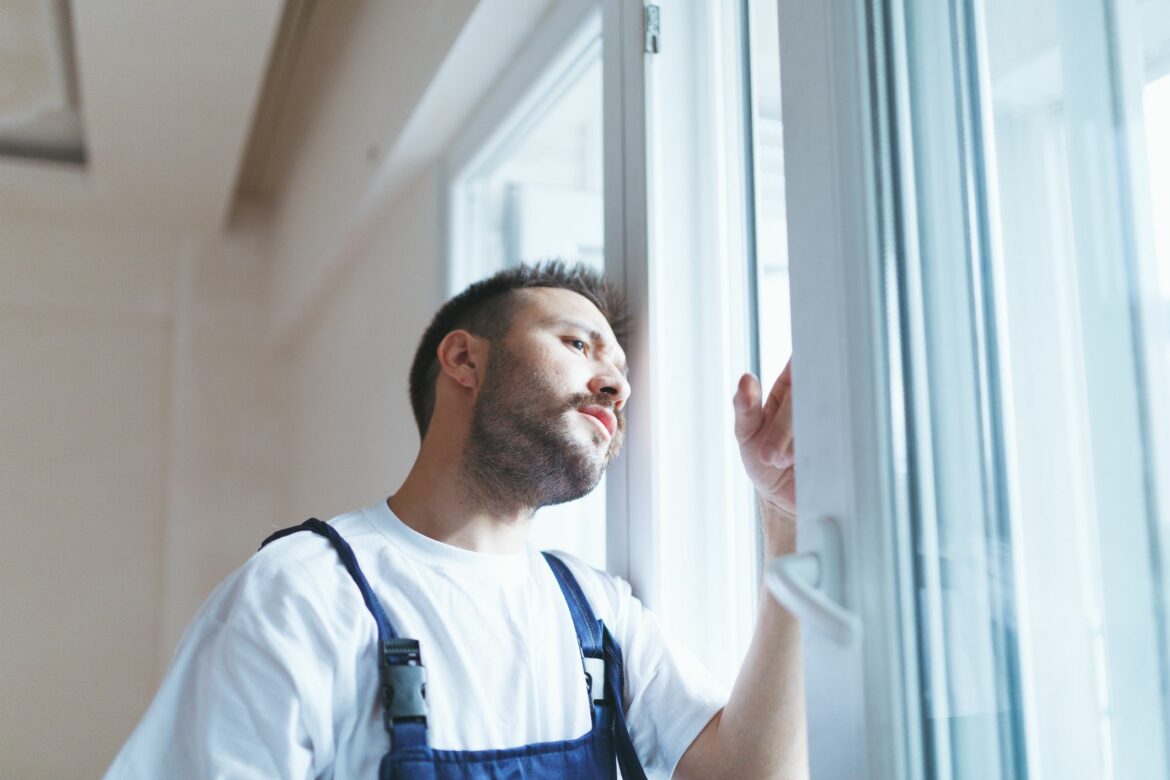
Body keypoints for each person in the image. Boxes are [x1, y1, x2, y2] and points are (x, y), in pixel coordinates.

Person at [106, 261, 806, 778]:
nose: (616, 384)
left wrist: (784, 525)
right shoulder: (301, 595)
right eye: (577, 343)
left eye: (620, 370)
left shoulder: (597, 613)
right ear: (465, 359)